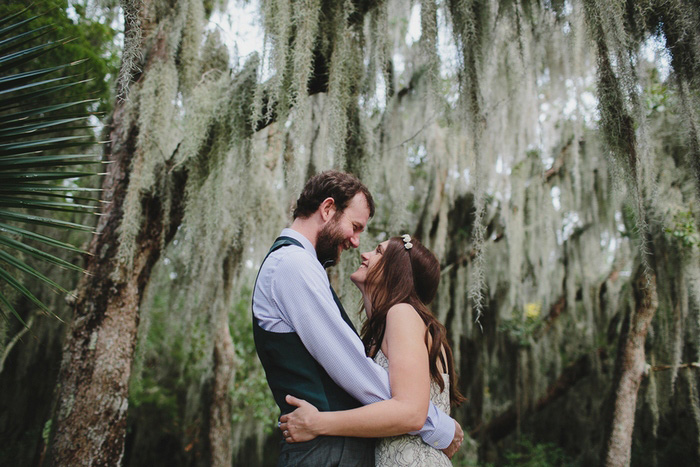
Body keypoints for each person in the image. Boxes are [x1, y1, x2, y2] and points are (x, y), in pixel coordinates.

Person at [252, 171, 463, 466]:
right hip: (325, 453)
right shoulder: (294, 265)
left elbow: (391, 396)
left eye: (374, 248)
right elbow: (354, 371)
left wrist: (418, 413)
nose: (356, 244)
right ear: (327, 209)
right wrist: (438, 424)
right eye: (355, 227)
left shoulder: (398, 315)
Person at [278, 235, 465, 466]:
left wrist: (318, 423)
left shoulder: (402, 314)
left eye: (378, 252)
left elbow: (411, 413)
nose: (365, 254)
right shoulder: (384, 329)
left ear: (397, 271)